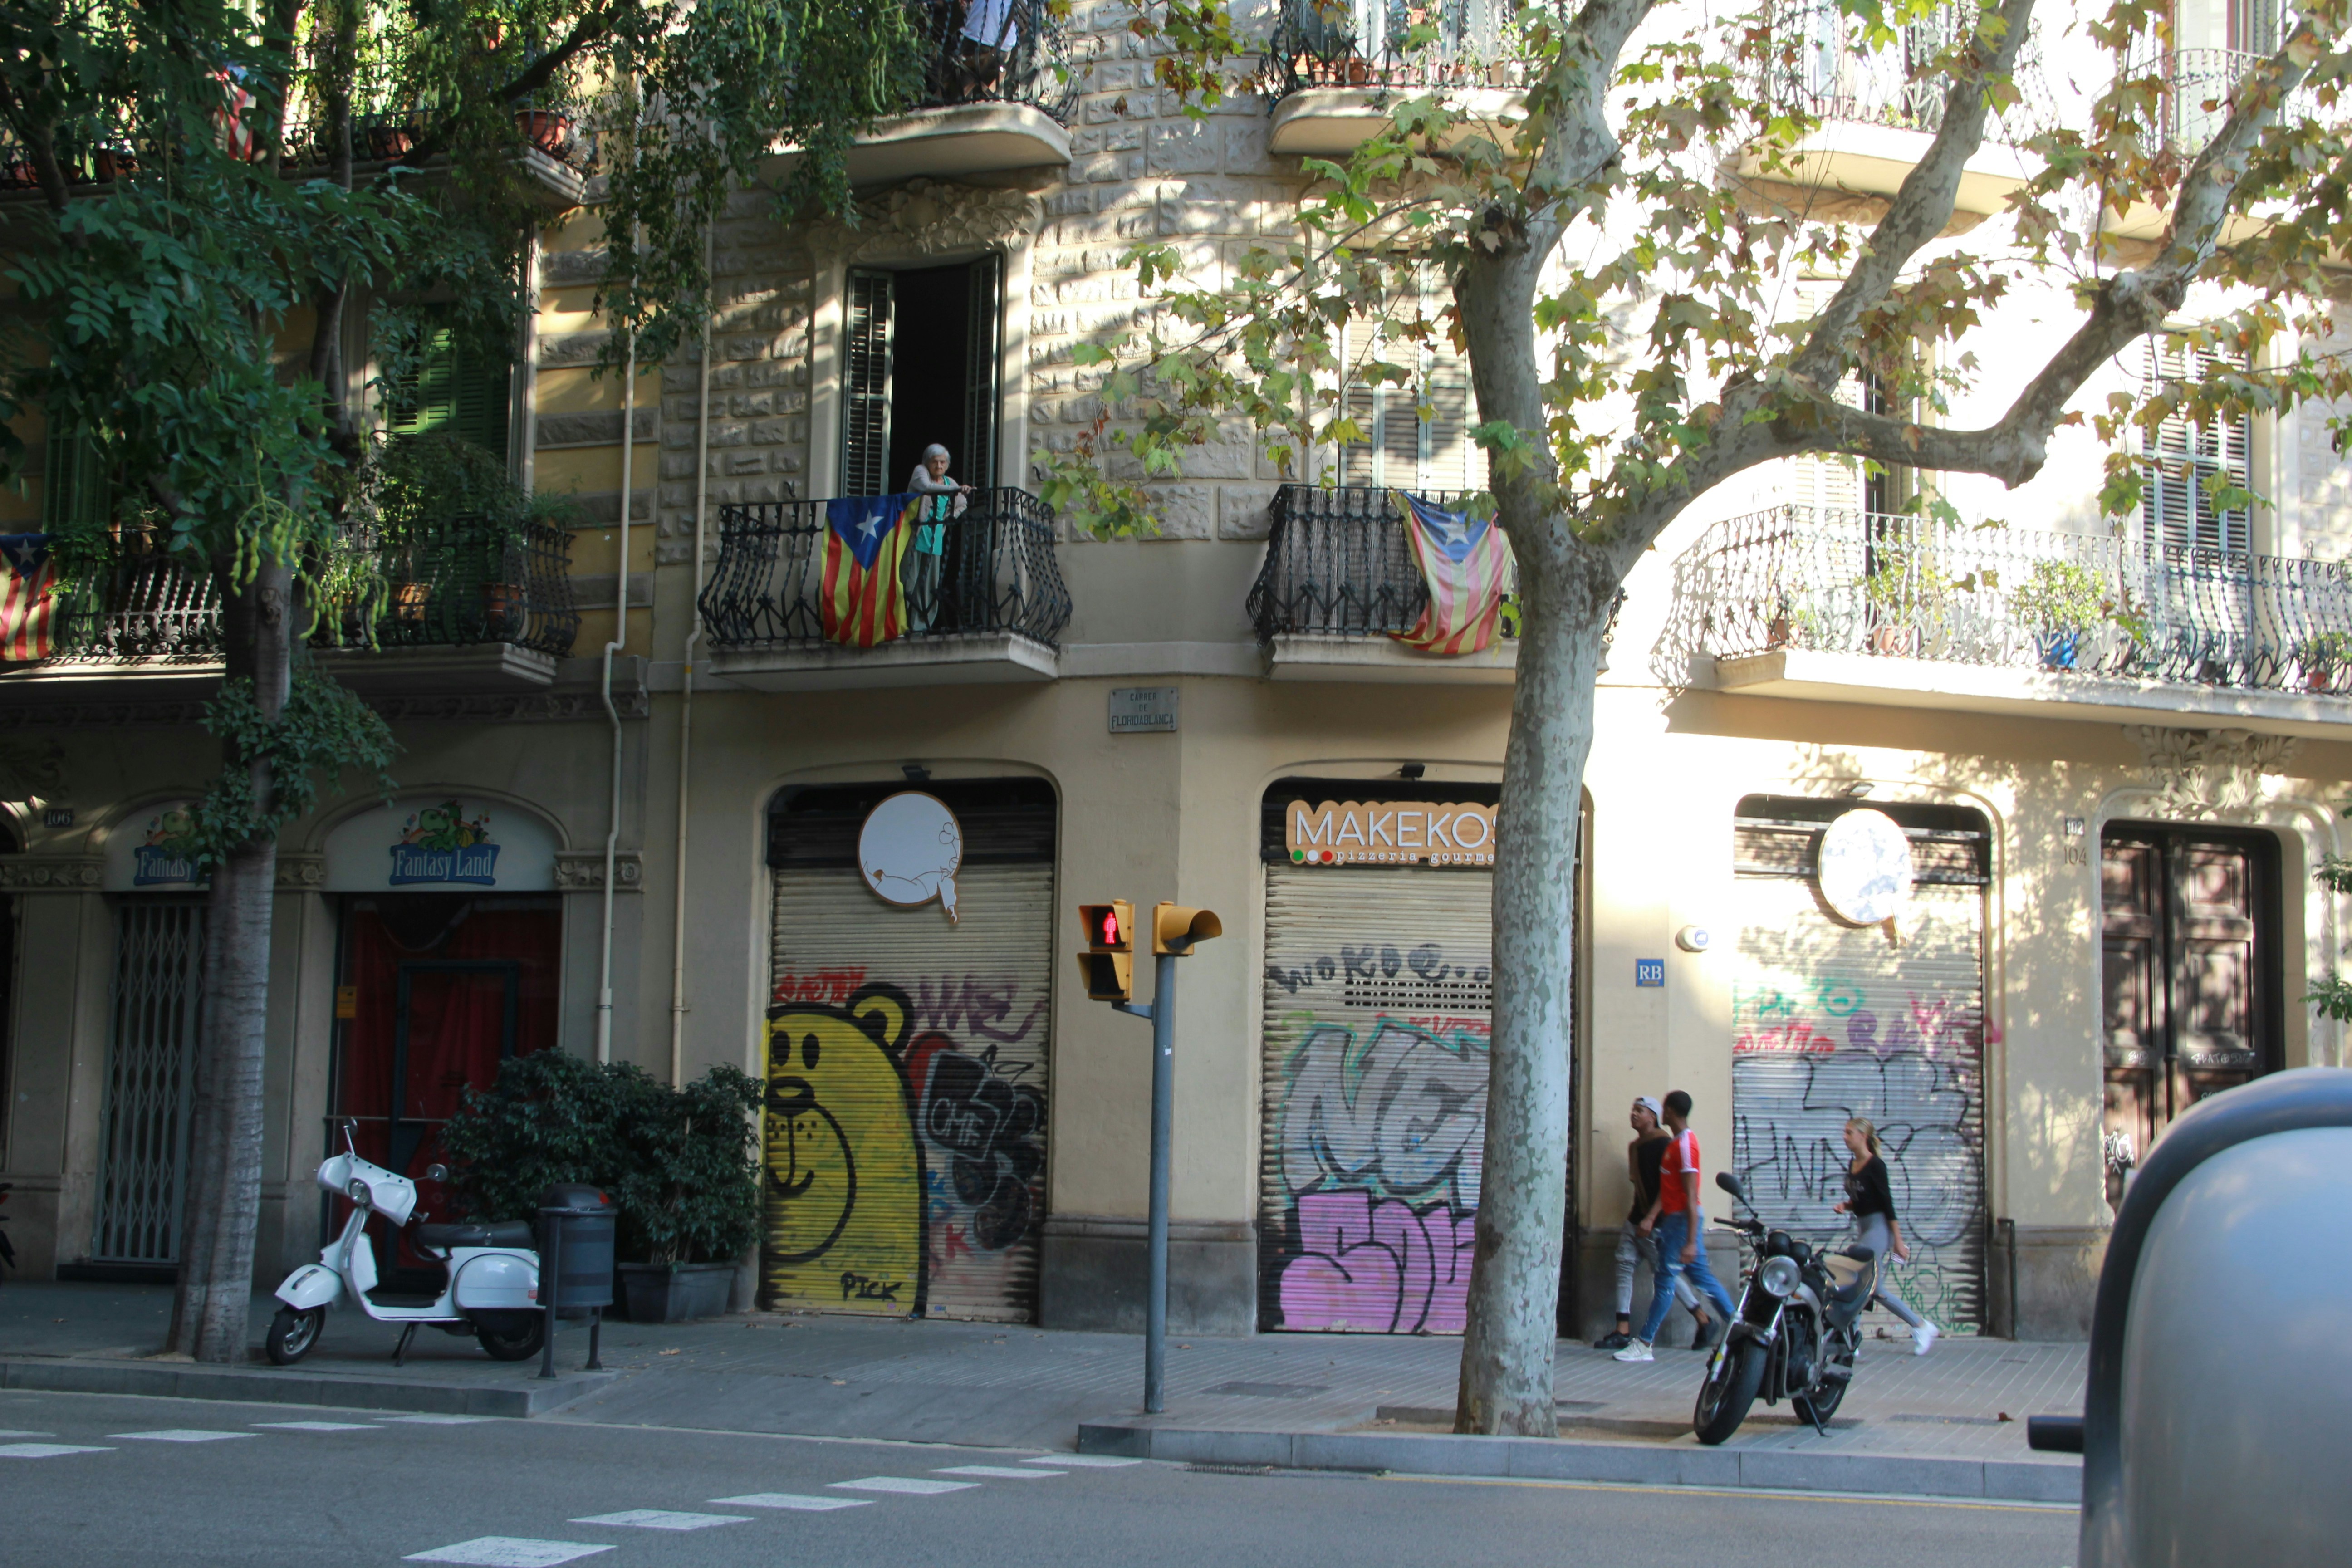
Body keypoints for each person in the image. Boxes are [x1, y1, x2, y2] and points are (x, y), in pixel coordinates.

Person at [1615, 1089, 1739, 1363]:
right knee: (1702, 1279)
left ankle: (1645, 1342)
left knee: (1665, 1282)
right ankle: (1737, 1328)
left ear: (1668, 1112)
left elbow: (1691, 1196)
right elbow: (1671, 1191)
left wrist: (1692, 1240)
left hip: (1681, 1223)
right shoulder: (1677, 1143)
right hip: (1676, 1222)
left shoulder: (1685, 1146)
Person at [1595, 1096, 1713, 1352]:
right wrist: (1637, 1216)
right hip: (1635, 1221)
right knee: (1624, 1265)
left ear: (1654, 1116)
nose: (1633, 1115)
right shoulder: (1636, 1147)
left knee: (1666, 1273)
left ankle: (1703, 1318)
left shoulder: (1665, 1145)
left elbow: (1667, 1188)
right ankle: (1622, 1328)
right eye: (1633, 1110)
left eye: (1640, 1111)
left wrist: (1651, 1218)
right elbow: (1638, 1186)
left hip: (1656, 1224)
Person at [1831, 1116, 1940, 1355]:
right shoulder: (1853, 1164)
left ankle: (1922, 1326)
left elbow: (1887, 1204)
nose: (1845, 1137)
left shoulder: (1876, 1165)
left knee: (1873, 1288)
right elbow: (1862, 1199)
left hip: (1880, 1229)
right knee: (1861, 1285)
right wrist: (1846, 1206)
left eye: (1849, 1133)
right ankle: (1851, 1341)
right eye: (1845, 1132)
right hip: (1864, 1227)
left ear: (1863, 1137)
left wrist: (1897, 1241)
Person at [902, 444, 968, 631]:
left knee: (928, 584)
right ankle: (900, 623)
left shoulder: (949, 481)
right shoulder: (920, 471)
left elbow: (963, 503)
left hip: (935, 536)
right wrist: (956, 490)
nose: (939, 465)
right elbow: (926, 487)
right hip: (915, 534)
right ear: (928, 463)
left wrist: (947, 519)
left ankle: (920, 626)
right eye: (935, 461)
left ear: (947, 465)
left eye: (943, 462)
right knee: (909, 580)